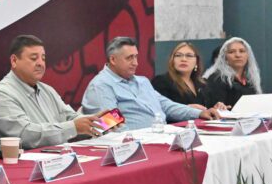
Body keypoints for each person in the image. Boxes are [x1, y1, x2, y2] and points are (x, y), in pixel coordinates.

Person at [0, 35, 100, 151]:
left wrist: (95, 122)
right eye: (34, 58)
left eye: (43, 58)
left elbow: (70, 117)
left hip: (55, 158)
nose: (40, 63)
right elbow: (26, 135)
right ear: (14, 60)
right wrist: (73, 127)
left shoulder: (47, 90)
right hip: (19, 162)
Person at [82, 36, 219, 130]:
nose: (136, 63)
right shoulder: (101, 85)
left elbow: (166, 105)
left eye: (136, 57)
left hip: (159, 137)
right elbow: (110, 126)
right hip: (134, 146)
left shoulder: (142, 81)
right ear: (113, 60)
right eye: (130, 58)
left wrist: (199, 113)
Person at [151, 42, 217, 109]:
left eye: (189, 56)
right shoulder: (161, 81)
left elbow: (208, 108)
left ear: (196, 62)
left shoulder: (203, 84)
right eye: (178, 55)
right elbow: (159, 108)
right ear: (172, 61)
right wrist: (186, 108)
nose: (183, 59)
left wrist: (216, 107)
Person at [202, 37, 263, 108]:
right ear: (225, 57)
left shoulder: (251, 80)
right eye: (231, 52)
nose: (238, 55)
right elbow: (214, 108)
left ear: (248, 56)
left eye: (242, 51)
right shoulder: (217, 78)